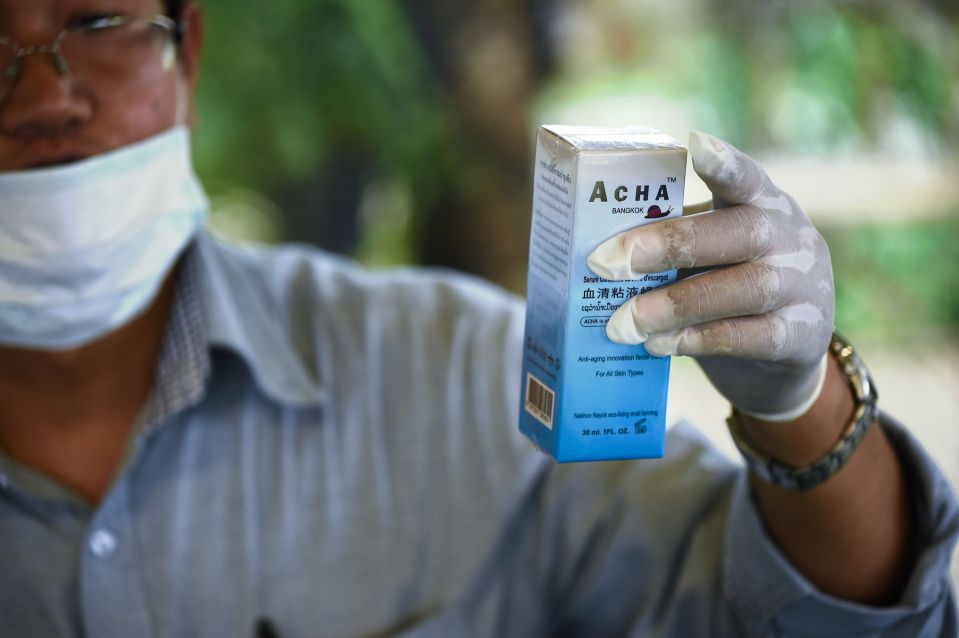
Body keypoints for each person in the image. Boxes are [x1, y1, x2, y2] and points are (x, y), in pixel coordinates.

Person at [0, 1, 955, 637]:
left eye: (94, 19)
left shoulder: (463, 374)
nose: (42, 92)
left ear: (188, 49)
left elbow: (801, 616)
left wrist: (802, 413)